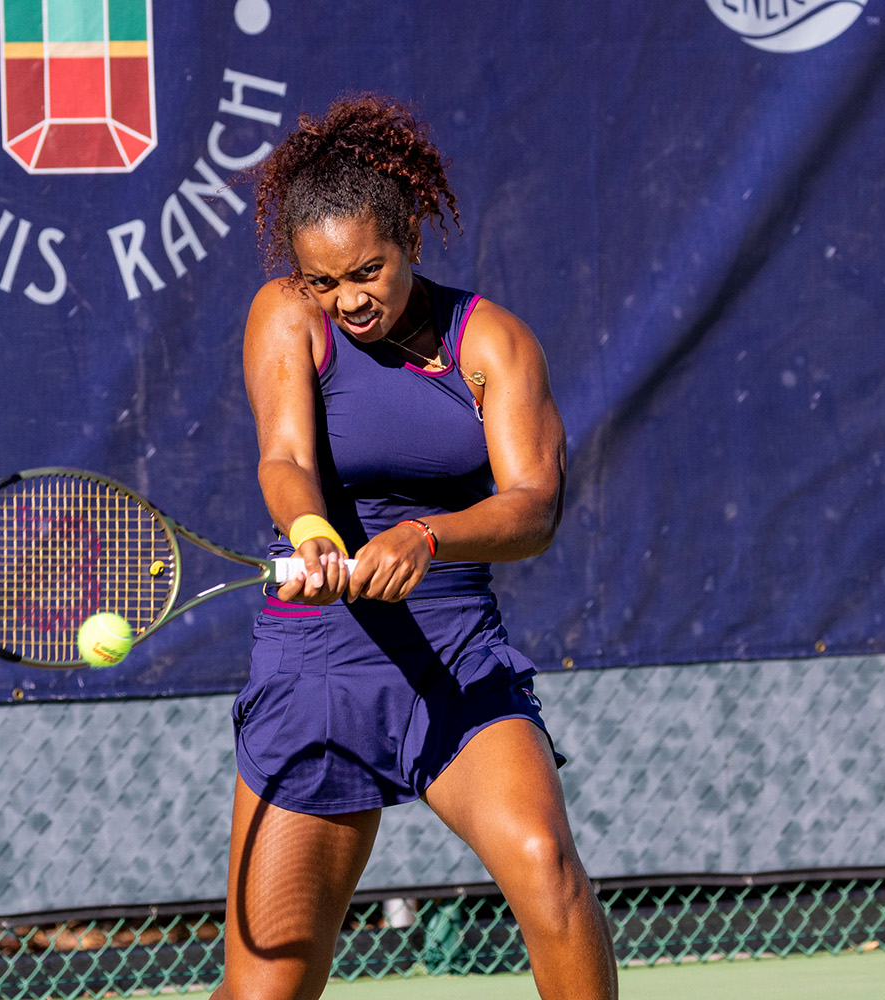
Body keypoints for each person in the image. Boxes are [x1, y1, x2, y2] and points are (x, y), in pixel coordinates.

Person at [219, 95, 618, 1000]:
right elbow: (282, 456)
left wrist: (429, 535)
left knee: (547, 867)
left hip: (453, 658)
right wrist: (315, 534)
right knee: (267, 988)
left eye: (369, 269)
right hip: (317, 663)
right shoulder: (285, 315)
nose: (348, 298)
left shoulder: (495, 344)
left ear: (410, 237)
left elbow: (535, 507)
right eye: (325, 281)